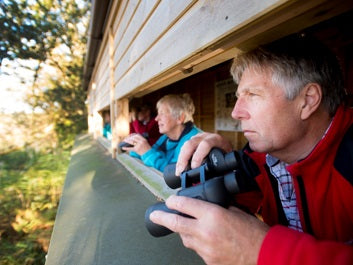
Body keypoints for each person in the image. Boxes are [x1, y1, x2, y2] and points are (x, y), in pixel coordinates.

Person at [149, 34, 353, 265]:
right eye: (238, 97)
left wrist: (259, 252)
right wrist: (213, 166)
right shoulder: (261, 158)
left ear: (307, 100)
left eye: (252, 95)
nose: (236, 112)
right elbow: (223, 207)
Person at [122, 94, 202, 172]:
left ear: (180, 118)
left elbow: (174, 174)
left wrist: (147, 152)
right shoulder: (165, 137)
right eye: (158, 114)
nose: (156, 119)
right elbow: (153, 153)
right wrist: (136, 148)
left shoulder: (192, 140)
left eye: (162, 113)